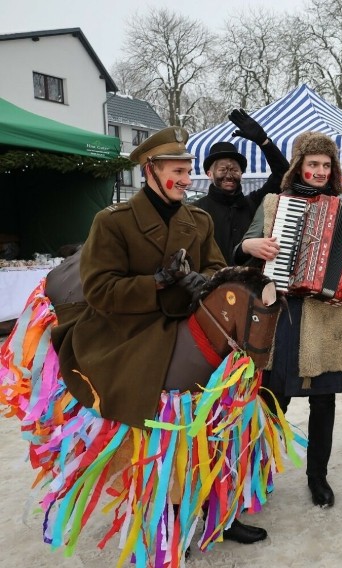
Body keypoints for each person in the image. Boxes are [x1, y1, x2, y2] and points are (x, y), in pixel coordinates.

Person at [50, 126, 272, 546]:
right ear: (150, 170)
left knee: (220, 415)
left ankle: (216, 511)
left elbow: (216, 267)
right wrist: (155, 282)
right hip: (131, 331)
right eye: (179, 171)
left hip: (190, 320)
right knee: (163, 428)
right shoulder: (112, 222)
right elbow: (100, 290)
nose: (188, 180)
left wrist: (201, 283)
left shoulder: (198, 219)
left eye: (188, 170)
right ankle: (166, 519)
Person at [235, 131, 342, 508]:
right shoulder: (271, 204)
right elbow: (244, 245)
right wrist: (252, 245)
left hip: (326, 318)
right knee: (271, 400)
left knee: (324, 403)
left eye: (325, 165)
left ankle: (318, 477)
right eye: (312, 164)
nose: (318, 171)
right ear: (298, 166)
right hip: (282, 314)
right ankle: (257, 471)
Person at [194, 109, 290, 264]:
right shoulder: (196, 211)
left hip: (251, 283)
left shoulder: (254, 202)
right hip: (213, 284)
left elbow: (284, 175)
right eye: (222, 169)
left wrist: (264, 142)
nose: (229, 175)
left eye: (234, 170)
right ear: (209, 174)